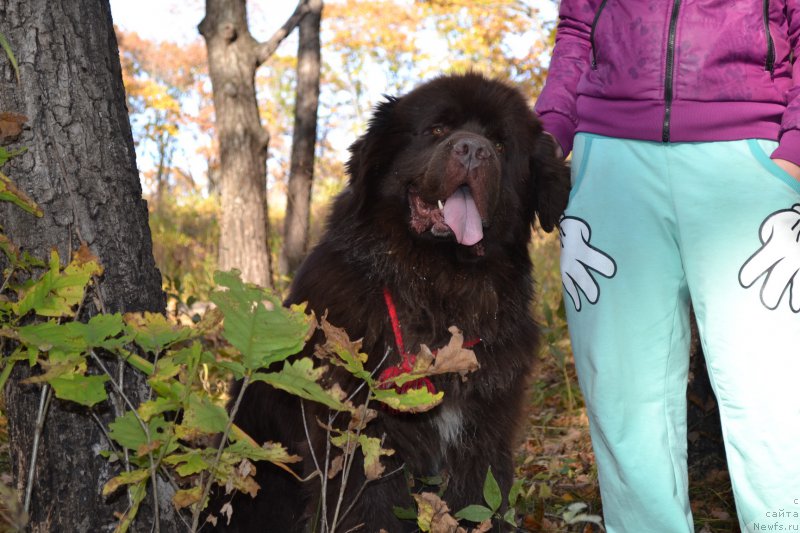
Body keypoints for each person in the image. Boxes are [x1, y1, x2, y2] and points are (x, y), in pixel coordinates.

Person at [534, 2, 800, 532]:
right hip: (610, 166)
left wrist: (793, 155)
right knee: (624, 399)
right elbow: (578, 29)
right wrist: (545, 140)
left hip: (750, 162)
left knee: (773, 395)